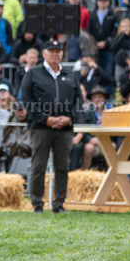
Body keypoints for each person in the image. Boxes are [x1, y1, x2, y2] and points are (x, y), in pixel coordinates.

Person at [18, 39, 83, 213]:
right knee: (38, 166)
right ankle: (37, 204)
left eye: (58, 51)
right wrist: (44, 118)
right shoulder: (33, 74)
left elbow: (79, 100)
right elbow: (27, 100)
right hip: (41, 128)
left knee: (62, 167)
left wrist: (69, 118)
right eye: (51, 51)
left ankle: (59, 204)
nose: (55, 54)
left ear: (62, 54)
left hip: (65, 128)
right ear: (44, 54)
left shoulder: (70, 75)